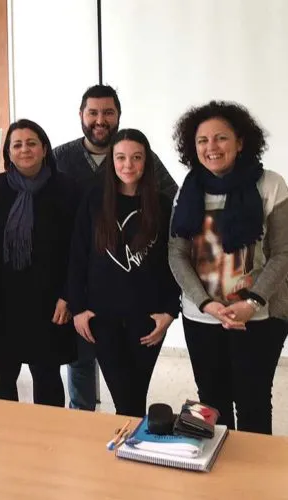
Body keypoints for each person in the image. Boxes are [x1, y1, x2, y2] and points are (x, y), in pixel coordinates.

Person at [54, 84, 178, 412]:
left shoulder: (160, 201)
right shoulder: (65, 162)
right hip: (95, 299)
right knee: (86, 373)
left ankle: (130, 443)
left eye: (107, 112)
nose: (100, 119)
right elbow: (76, 248)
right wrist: (76, 301)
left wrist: (171, 308)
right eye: (93, 112)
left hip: (143, 308)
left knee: (132, 392)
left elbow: (173, 253)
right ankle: (93, 431)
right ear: (81, 115)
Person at [169, 100, 288, 435]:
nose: (211, 147)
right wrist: (206, 303)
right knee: (211, 402)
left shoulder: (270, 184)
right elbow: (176, 253)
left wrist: (251, 303)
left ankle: (254, 482)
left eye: (220, 138)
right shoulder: (187, 191)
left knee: (252, 403)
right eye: (202, 140)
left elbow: (283, 253)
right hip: (202, 316)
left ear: (240, 142)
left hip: (258, 316)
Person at [0, 119, 78, 406]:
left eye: (31, 143)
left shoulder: (66, 189)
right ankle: (8, 445)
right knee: (2, 381)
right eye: (17, 144)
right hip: (3, 304)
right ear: (8, 152)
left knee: (47, 380)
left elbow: (78, 250)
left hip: (50, 304)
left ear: (44, 148)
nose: (24, 150)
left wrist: (68, 296)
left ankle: (48, 445)